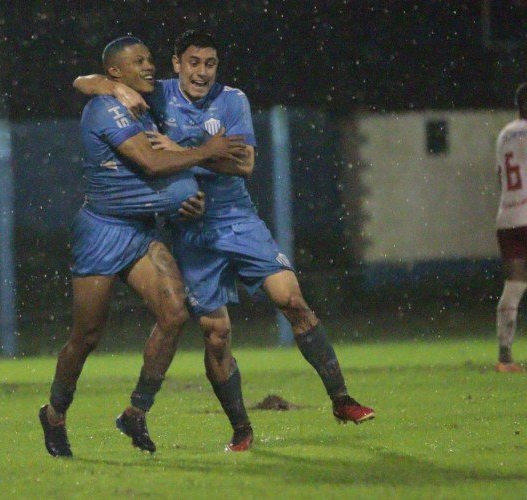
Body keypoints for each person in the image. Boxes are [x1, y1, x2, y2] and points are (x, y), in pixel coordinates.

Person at [74, 29, 375, 452]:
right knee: (216, 333)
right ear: (177, 64)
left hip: (236, 219)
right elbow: (83, 82)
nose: (202, 72)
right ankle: (242, 431)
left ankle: (341, 398)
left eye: (210, 64)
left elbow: (245, 164)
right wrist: (109, 87)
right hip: (191, 232)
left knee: (291, 299)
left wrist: (180, 148)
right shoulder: (154, 94)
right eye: (193, 62)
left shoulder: (232, 100)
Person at [39, 36, 247, 457]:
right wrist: (206, 153)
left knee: (174, 314)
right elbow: (151, 162)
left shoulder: (144, 104)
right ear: (116, 72)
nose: (150, 66)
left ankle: (136, 411)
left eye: (150, 59)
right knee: (87, 336)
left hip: (139, 232)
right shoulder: (105, 107)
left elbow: (154, 173)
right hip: (101, 232)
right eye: (138, 62)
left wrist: (181, 197)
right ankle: (55, 413)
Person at [493, 82, 527, 373]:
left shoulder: (505, 134)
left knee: (514, 287)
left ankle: (504, 357)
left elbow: (500, 176)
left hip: (508, 216)